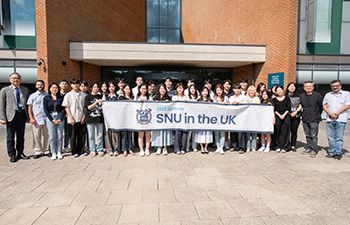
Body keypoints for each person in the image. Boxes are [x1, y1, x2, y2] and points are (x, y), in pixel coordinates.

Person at [0, 73, 30, 163]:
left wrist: (28, 116)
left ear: (20, 80)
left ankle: (20, 153)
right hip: (10, 116)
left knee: (21, 136)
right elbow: (1, 105)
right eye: (14, 78)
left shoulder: (25, 90)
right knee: (10, 137)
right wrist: (2, 117)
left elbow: (27, 105)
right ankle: (12, 154)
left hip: (22, 115)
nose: (16, 80)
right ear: (10, 80)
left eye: (17, 78)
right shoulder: (4, 90)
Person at [323, 80, 350, 160]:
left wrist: (337, 113)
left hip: (341, 119)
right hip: (329, 119)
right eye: (333, 86)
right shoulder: (328, 95)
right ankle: (332, 152)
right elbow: (324, 105)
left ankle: (338, 153)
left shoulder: (346, 94)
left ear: (340, 86)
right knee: (330, 137)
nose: (335, 87)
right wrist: (330, 113)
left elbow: (348, 105)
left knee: (339, 137)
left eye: (336, 86)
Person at [62, 79, 87, 158]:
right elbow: (66, 107)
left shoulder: (83, 95)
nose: (76, 85)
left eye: (77, 83)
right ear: (71, 85)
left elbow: (85, 107)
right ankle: (74, 152)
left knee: (81, 136)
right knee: (73, 136)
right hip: (72, 118)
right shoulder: (68, 95)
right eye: (73, 84)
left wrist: (84, 116)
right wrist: (71, 117)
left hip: (81, 118)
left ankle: (81, 151)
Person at [300, 81, 323, 158]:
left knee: (313, 135)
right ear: (304, 88)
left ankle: (314, 149)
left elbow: (321, 107)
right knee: (307, 134)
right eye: (306, 86)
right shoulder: (302, 96)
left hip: (314, 118)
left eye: (310, 86)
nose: (308, 88)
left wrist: (317, 114)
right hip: (305, 118)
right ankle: (309, 147)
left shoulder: (317, 95)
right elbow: (301, 106)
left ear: (313, 87)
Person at [27, 80, 49, 159]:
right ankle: (38, 151)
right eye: (38, 85)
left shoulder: (47, 95)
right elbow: (29, 107)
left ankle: (46, 150)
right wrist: (31, 117)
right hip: (36, 118)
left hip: (46, 118)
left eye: (41, 84)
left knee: (47, 135)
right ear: (36, 86)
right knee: (36, 135)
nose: (40, 86)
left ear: (43, 85)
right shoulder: (32, 96)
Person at [43, 83, 65, 160]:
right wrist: (52, 119)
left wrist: (60, 118)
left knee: (59, 136)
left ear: (58, 89)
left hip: (59, 117)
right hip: (50, 118)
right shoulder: (46, 98)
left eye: (56, 88)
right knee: (52, 137)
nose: (54, 89)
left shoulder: (61, 97)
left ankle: (59, 151)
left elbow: (63, 109)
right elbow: (45, 110)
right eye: (53, 88)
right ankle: (53, 152)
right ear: (50, 89)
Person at [151, 84, 173, 155]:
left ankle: (165, 148)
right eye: (161, 88)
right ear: (158, 90)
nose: (162, 90)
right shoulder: (154, 98)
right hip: (157, 119)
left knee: (165, 133)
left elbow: (172, 108)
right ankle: (159, 147)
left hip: (166, 119)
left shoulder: (169, 98)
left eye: (163, 88)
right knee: (158, 133)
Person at [85, 82, 104, 157]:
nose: (96, 88)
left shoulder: (101, 96)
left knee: (100, 135)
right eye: (94, 87)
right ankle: (92, 150)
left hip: (99, 118)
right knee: (91, 135)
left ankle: (100, 149)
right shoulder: (88, 97)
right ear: (91, 88)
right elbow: (88, 107)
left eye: (97, 87)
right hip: (90, 118)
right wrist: (96, 102)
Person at [271, 86, 291, 153]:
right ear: (276, 92)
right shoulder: (274, 100)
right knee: (277, 131)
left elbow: (288, 108)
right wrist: (279, 115)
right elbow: (274, 109)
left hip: (286, 116)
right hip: (277, 116)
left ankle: (285, 147)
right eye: (278, 90)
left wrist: (284, 115)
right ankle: (277, 146)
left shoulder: (287, 98)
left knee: (285, 131)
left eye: (280, 90)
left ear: (283, 90)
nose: (279, 91)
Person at [194, 87, 213, 154]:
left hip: (208, 119)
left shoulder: (210, 100)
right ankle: (202, 147)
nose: (205, 92)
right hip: (201, 120)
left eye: (206, 91)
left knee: (208, 133)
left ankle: (206, 147)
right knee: (201, 133)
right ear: (201, 92)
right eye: (203, 91)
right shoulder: (198, 100)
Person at [172, 83, 190, 154]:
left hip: (185, 117)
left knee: (185, 132)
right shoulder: (174, 97)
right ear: (176, 89)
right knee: (177, 133)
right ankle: (177, 149)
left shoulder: (186, 97)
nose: (180, 89)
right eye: (179, 88)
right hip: (177, 117)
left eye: (181, 88)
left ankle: (183, 148)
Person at [103, 81, 119, 156]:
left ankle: (116, 149)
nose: (111, 88)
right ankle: (109, 150)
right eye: (110, 87)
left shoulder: (118, 96)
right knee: (108, 133)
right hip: (107, 117)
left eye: (113, 86)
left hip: (116, 117)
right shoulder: (105, 96)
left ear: (115, 87)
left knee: (115, 133)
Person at [136, 83, 152, 156]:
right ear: (139, 89)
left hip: (148, 118)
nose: (144, 90)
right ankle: (141, 149)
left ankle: (147, 149)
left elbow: (152, 107)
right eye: (142, 88)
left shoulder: (149, 97)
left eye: (145, 89)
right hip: (139, 119)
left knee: (148, 135)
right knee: (140, 135)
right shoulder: (136, 97)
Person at [229, 84, 246, 152]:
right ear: (233, 90)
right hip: (233, 117)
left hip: (241, 117)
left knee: (241, 132)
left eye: (238, 88)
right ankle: (234, 146)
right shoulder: (231, 98)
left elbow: (246, 105)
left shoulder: (243, 97)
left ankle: (242, 147)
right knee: (233, 132)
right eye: (235, 88)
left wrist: (238, 102)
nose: (237, 90)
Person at [118, 84, 135, 156]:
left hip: (130, 118)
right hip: (123, 118)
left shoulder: (132, 98)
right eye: (126, 89)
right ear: (123, 89)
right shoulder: (121, 97)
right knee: (124, 134)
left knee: (130, 134)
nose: (127, 90)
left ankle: (130, 149)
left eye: (129, 89)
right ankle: (124, 149)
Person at [213, 84, 228, 154]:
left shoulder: (226, 98)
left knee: (222, 133)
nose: (219, 91)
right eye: (217, 90)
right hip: (215, 118)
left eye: (220, 90)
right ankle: (218, 147)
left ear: (222, 90)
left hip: (223, 118)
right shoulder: (214, 98)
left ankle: (221, 147)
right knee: (216, 134)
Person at [286, 82, 302, 151]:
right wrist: (289, 113)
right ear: (287, 87)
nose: (292, 87)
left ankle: (293, 145)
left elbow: (301, 105)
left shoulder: (299, 96)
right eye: (290, 86)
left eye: (293, 86)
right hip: (287, 116)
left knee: (294, 131)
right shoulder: (285, 96)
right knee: (286, 131)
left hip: (296, 116)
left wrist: (296, 112)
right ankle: (286, 144)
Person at [244, 85, 261, 152]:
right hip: (247, 117)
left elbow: (258, 108)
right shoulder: (245, 98)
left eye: (253, 91)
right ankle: (248, 147)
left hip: (255, 117)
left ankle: (253, 147)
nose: (251, 92)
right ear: (248, 91)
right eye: (250, 90)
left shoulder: (257, 99)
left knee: (254, 133)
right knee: (248, 133)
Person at [187, 84, 199, 152]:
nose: (192, 90)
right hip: (188, 117)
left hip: (196, 117)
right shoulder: (186, 97)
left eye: (194, 88)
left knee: (195, 133)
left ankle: (194, 146)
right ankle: (187, 146)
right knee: (189, 133)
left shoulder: (198, 98)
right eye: (191, 88)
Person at [59, 80, 71, 152]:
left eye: (65, 84)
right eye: (62, 84)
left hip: (67, 115)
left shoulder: (68, 94)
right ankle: (58, 147)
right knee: (59, 132)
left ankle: (66, 146)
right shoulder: (57, 94)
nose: (64, 85)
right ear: (59, 85)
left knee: (67, 131)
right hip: (59, 115)